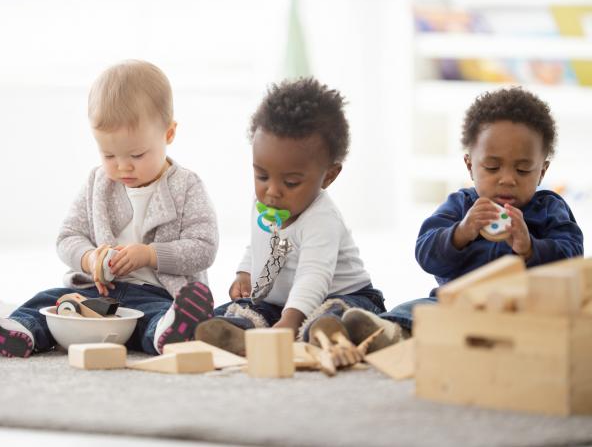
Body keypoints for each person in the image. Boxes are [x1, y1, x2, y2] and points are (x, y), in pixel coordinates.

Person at [0, 60, 218, 357]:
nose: (122, 166)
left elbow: (204, 248)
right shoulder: (98, 182)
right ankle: (17, 330)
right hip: (96, 295)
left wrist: (151, 254)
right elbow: (68, 237)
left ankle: (168, 332)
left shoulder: (186, 186)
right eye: (109, 154)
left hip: (157, 294)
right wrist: (90, 258)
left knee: (154, 318)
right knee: (51, 302)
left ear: (169, 134)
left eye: (137, 154)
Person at [345, 86, 584, 346]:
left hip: (523, 309)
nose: (507, 179)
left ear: (542, 171)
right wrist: (461, 233)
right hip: (458, 303)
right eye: (492, 167)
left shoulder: (548, 208)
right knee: (419, 309)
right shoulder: (461, 205)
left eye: (523, 169)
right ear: (470, 165)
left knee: (562, 326)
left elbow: (573, 259)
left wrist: (530, 248)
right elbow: (426, 254)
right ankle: (389, 332)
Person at [195, 77, 388, 355]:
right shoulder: (265, 202)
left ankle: (329, 331)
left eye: (292, 182)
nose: (272, 191)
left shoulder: (321, 218)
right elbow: (260, 242)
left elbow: (314, 276)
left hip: (343, 296)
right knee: (239, 310)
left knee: (330, 314)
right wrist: (245, 272)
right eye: (261, 175)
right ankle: (239, 331)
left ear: (329, 176)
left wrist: (291, 320)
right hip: (280, 302)